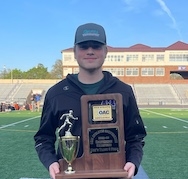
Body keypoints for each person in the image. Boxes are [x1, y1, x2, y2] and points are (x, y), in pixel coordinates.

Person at [34, 23, 147, 179]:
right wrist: (51, 162)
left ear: (106, 51)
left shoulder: (124, 91)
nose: (90, 51)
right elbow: (43, 138)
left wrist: (133, 162)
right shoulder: (56, 93)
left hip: (114, 174)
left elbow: (136, 137)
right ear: (74, 52)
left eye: (96, 46)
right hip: (70, 175)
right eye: (84, 46)